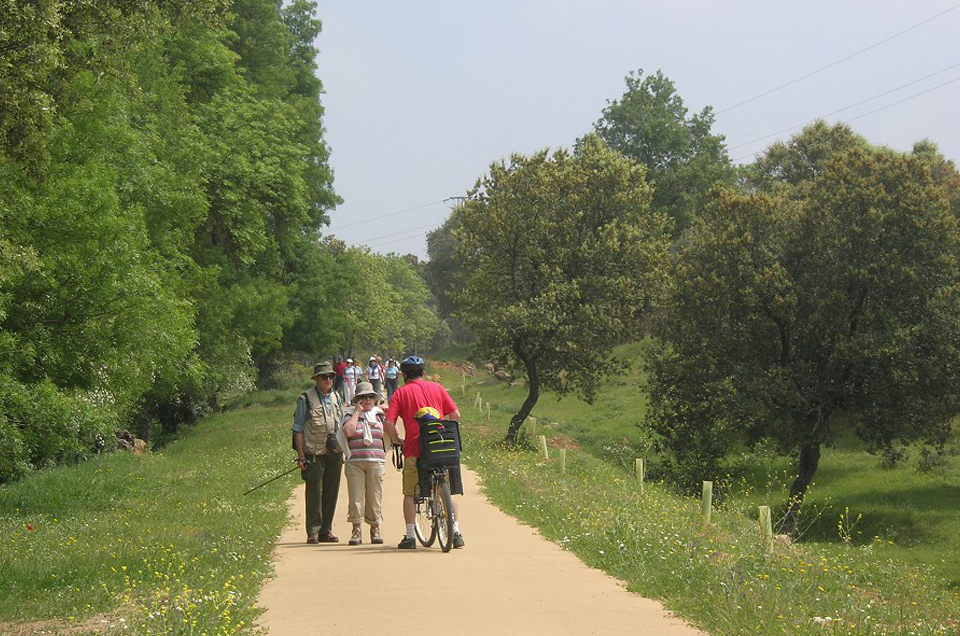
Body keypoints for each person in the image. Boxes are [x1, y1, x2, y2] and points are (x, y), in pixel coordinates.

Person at [384, 355, 465, 549]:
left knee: (411, 493)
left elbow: (388, 423)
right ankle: (455, 532)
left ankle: (410, 536)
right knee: (447, 489)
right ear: (423, 372)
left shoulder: (400, 393)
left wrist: (396, 440)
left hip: (415, 448)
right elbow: (456, 416)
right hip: (441, 446)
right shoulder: (437, 388)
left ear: (403, 374)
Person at [292, 362, 345, 543]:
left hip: (335, 451)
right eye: (324, 377)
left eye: (331, 376)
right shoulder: (305, 399)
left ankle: (326, 530)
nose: (328, 380)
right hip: (313, 452)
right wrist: (301, 456)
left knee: (332, 490)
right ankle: (313, 530)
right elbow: (298, 429)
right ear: (316, 379)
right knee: (315, 491)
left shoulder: (337, 396)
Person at [341, 381, 386, 545]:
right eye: (363, 398)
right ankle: (356, 530)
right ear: (357, 400)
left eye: (370, 397)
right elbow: (348, 432)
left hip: (376, 461)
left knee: (375, 497)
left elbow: (386, 433)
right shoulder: (349, 414)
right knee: (356, 498)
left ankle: (375, 528)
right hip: (355, 462)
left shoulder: (379, 414)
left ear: (375, 399)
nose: (367, 400)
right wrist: (357, 413)